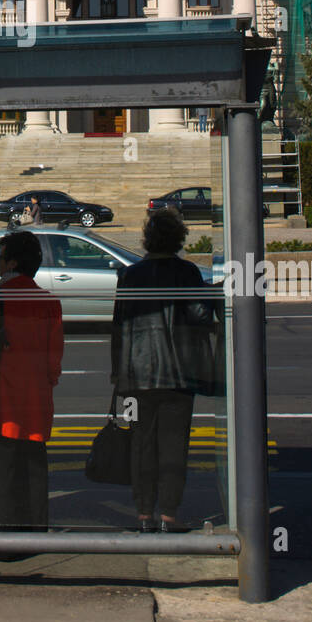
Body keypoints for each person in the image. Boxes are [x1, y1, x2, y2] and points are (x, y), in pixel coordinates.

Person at [111, 207, 216, 532]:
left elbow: (120, 326)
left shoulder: (130, 275)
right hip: (178, 374)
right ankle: (169, 515)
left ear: (147, 239)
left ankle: (144, 514)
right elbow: (199, 316)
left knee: (143, 445)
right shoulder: (187, 272)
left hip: (139, 373)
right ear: (178, 239)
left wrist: (118, 372)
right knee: (174, 446)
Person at [0, 229, 63, 555]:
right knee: (32, 471)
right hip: (34, 401)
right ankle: (33, 536)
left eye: (0, 257)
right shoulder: (48, 302)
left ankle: (1, 543)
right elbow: (53, 360)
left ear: (11, 262)